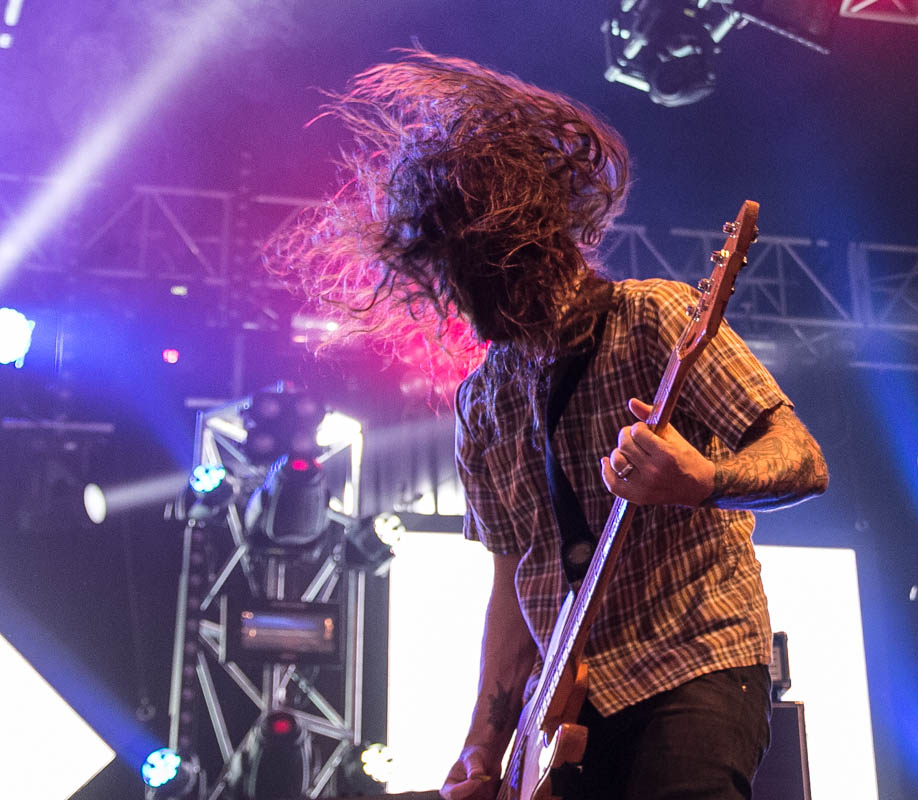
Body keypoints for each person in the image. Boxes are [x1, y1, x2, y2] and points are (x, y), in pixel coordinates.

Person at [273, 50, 828, 800]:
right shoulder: (483, 403)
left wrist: (703, 480)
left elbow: (800, 457)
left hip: (694, 660)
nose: (468, 305)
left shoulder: (656, 317)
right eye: (453, 281)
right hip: (566, 702)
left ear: (534, 245)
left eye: (483, 274)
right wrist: (481, 747)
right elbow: (513, 581)